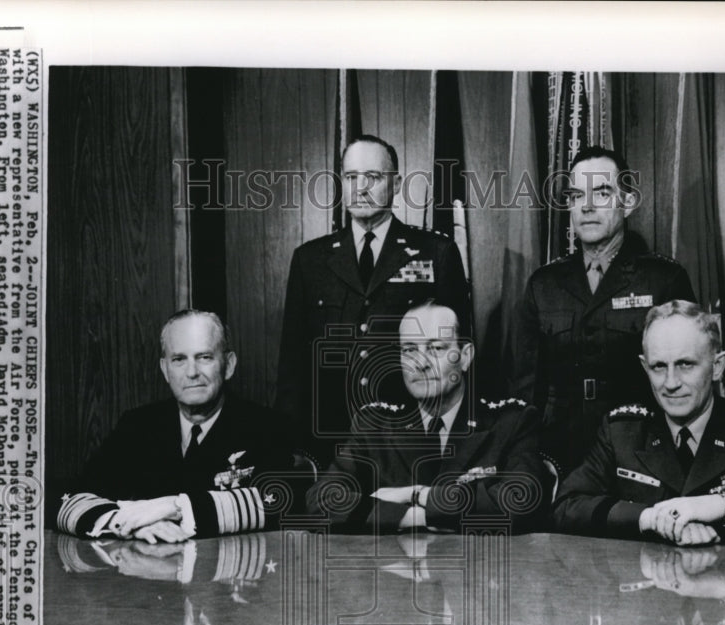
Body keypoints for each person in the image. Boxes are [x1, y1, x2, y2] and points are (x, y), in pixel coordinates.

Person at [275, 134, 471, 465]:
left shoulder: (436, 253)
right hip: (328, 440)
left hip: (409, 438)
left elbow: (458, 354)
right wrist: (293, 447)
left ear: (396, 184)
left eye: (373, 177)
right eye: (351, 177)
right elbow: (293, 367)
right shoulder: (310, 260)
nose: (360, 188)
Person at [553, 300, 725, 547]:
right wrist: (649, 518)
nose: (671, 382)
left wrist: (722, 506)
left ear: (718, 366)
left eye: (685, 364)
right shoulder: (622, 432)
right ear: (645, 367)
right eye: (658, 367)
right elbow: (567, 506)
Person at [508, 145, 695, 472]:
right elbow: (526, 389)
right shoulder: (544, 284)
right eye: (577, 195)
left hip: (640, 449)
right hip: (558, 454)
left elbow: (687, 378)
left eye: (602, 192)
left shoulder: (663, 280)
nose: (588, 206)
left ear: (628, 203)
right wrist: (527, 461)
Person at [306, 301, 550, 533]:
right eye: (410, 349)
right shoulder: (374, 424)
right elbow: (321, 501)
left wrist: (418, 496)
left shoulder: (510, 422)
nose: (420, 363)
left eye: (436, 348)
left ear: (465, 357)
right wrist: (407, 517)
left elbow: (523, 500)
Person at [57, 309, 298, 541]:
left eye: (204, 357)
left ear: (229, 364)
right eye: (179, 359)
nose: (191, 372)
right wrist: (127, 523)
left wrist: (174, 508)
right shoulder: (137, 426)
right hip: (151, 575)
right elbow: (70, 497)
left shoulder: (267, 426)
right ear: (165, 369)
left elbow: (283, 501)